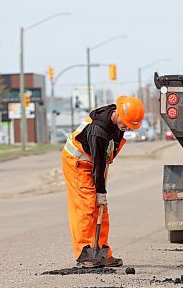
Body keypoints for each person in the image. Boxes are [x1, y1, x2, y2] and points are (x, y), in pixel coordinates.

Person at [62, 96, 145, 267]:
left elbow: (104, 157)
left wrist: (101, 195)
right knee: (86, 206)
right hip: (77, 162)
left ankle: (102, 253)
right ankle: (84, 254)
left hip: (95, 161)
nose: (127, 127)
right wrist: (100, 192)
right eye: (127, 123)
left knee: (101, 209)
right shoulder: (98, 131)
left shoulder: (119, 120)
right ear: (119, 113)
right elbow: (98, 166)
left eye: (131, 125)